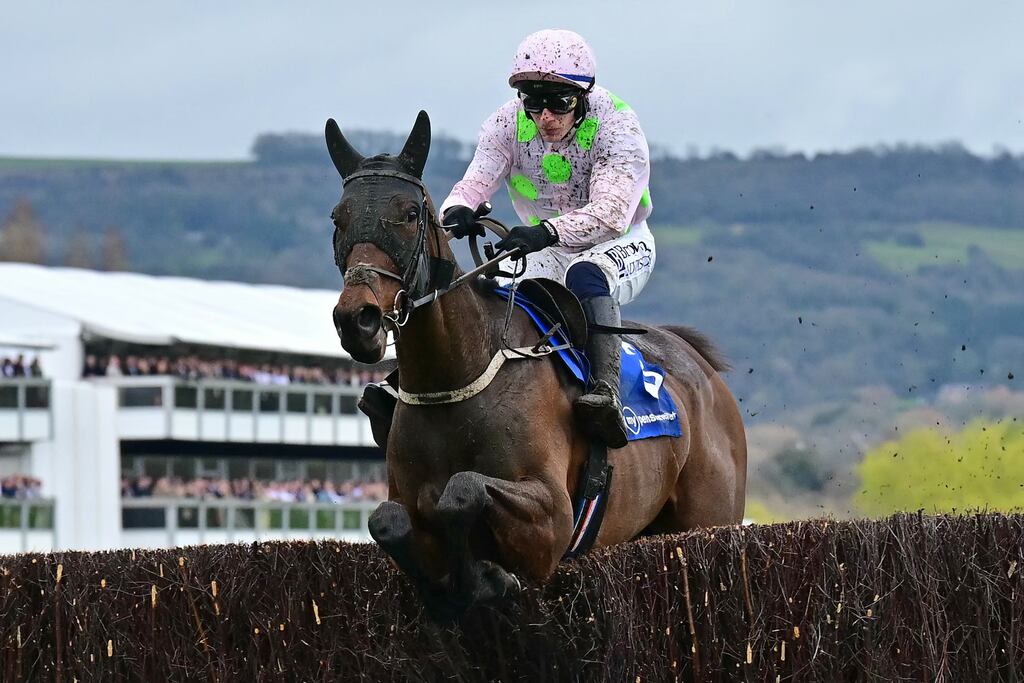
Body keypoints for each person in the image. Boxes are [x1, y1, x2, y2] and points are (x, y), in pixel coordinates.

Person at [361, 29, 656, 449]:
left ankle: (605, 392)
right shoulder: (505, 123)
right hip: (547, 245)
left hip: (619, 240)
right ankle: (403, 382)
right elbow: (474, 183)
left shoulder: (617, 125)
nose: (545, 118)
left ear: (584, 95)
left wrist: (546, 231)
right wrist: (457, 209)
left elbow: (609, 215)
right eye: (534, 103)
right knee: (495, 295)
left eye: (560, 103)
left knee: (586, 275)